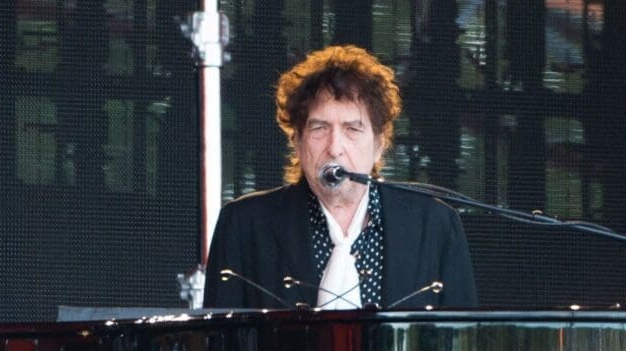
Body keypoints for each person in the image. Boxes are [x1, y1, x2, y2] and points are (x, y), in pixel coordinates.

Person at [203, 45, 477, 309]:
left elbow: (461, 345)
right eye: (320, 128)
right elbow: (218, 347)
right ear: (297, 142)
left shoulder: (435, 225)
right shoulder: (244, 225)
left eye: (352, 129)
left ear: (380, 144)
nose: (335, 147)